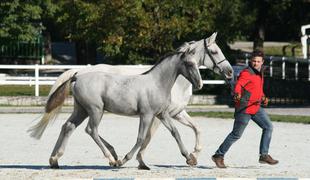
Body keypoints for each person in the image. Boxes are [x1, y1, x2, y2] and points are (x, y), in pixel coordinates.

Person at [212, 50, 279, 168]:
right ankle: (219, 155)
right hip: (245, 108)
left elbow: (256, 88)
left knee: (268, 127)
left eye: (258, 61)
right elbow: (239, 85)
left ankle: (263, 155)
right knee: (236, 135)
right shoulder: (246, 73)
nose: (256, 63)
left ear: (262, 62)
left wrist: (263, 96)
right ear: (250, 61)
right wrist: (237, 94)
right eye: (254, 61)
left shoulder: (259, 73)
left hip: (256, 107)